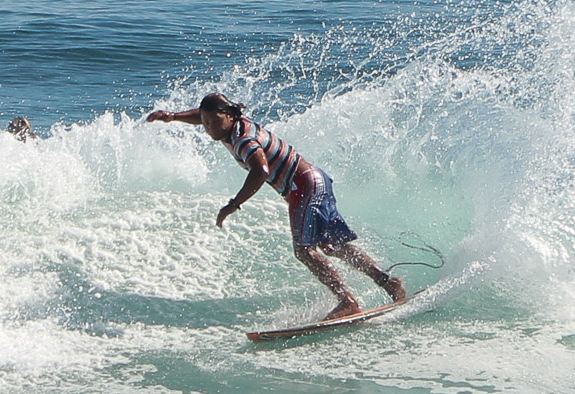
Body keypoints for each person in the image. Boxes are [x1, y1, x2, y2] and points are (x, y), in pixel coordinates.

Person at [147, 93, 405, 320]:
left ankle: (347, 302)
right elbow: (204, 115)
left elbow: (260, 170)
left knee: (304, 251)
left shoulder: (244, 140)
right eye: (205, 123)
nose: (209, 128)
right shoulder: (228, 124)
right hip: (314, 181)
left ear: (229, 117)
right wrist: (172, 117)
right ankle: (389, 283)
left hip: (304, 186)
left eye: (214, 122)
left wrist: (233, 204)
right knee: (332, 246)